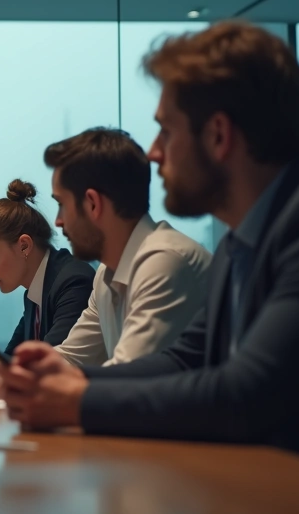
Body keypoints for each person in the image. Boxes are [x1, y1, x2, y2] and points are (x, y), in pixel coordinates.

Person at [0, 20, 299, 469]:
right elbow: (183, 359)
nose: (153, 152)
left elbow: (246, 393)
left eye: (166, 131)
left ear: (218, 135)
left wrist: (78, 401)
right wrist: (71, 381)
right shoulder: (242, 239)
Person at [43, 127, 212, 367]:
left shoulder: (164, 261)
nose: (58, 221)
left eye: (61, 204)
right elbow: (72, 357)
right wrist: (17, 370)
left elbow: (127, 375)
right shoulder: (106, 273)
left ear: (93, 204)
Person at [0, 180, 94, 393]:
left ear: (24, 246)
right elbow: (11, 359)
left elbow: (52, 361)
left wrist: (8, 374)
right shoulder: (35, 292)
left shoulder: (73, 281)